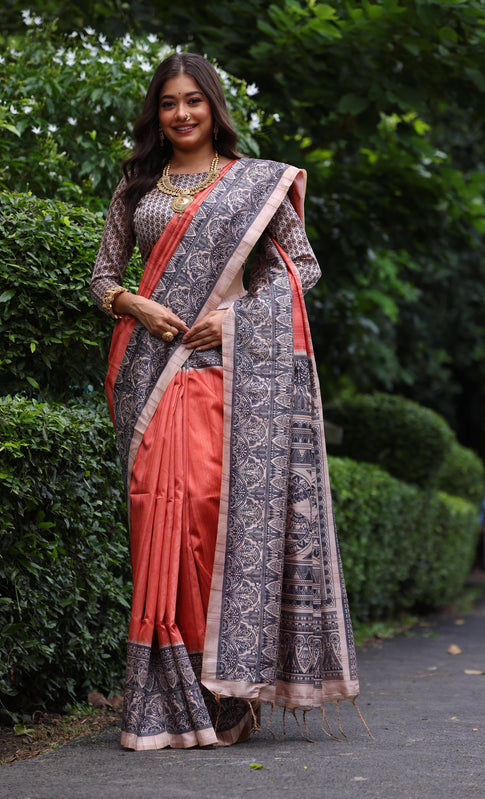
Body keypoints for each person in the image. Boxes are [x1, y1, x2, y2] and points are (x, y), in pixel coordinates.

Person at [90, 53, 360, 751]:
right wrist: (134, 303)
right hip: (148, 369)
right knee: (154, 509)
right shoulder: (137, 186)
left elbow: (302, 267)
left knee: (209, 506)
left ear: (213, 108)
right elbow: (100, 277)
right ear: (157, 113)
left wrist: (235, 315)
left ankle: (224, 686)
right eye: (168, 103)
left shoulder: (254, 184)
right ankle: (169, 688)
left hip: (222, 371)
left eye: (193, 102)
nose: (181, 114)